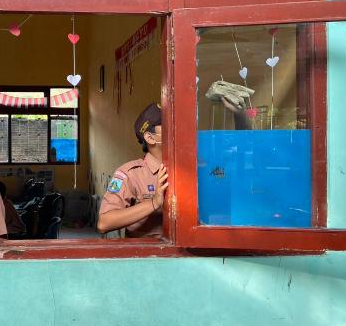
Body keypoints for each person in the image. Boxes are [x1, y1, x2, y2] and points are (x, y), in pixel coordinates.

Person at [97, 100, 248, 238]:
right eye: (167, 124)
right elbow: (104, 223)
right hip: (150, 256)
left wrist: (240, 116)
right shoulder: (131, 174)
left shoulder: (198, 165)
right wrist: (154, 203)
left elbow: (239, 161)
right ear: (150, 138)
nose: (176, 127)